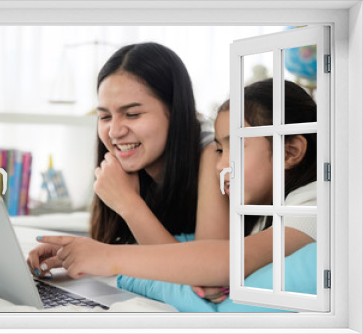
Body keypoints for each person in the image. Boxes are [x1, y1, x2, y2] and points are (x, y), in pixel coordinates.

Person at [33, 78, 318, 303]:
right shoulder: (258, 212)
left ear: (290, 151)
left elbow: (229, 261)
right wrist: (77, 252)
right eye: (219, 149)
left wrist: (106, 257)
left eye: (236, 146)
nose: (220, 165)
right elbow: (206, 262)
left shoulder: (312, 206)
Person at [27, 42, 229, 277]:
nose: (114, 131)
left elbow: (206, 274)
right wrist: (78, 251)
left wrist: (128, 203)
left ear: (175, 112)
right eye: (104, 116)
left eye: (132, 114)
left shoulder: (214, 155)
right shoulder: (126, 167)